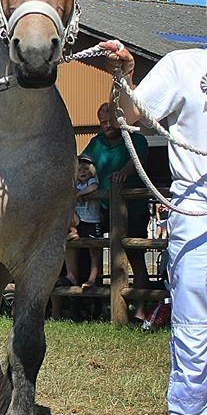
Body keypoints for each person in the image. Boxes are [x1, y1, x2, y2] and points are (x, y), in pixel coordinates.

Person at [100, 0, 207, 415]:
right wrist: (125, 75)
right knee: (192, 333)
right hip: (202, 216)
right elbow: (133, 115)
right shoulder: (183, 64)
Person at [81, 101, 151, 320]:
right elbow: (82, 163)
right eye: (102, 122)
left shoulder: (136, 139)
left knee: (135, 257)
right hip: (101, 208)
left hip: (133, 208)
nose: (106, 126)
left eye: (110, 121)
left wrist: (123, 173)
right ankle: (98, 307)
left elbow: (136, 161)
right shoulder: (96, 143)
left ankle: (140, 310)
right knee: (92, 252)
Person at [63, 154, 103, 289]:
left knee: (93, 251)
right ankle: (71, 275)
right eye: (79, 170)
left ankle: (92, 278)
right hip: (79, 221)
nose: (83, 172)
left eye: (86, 169)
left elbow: (94, 187)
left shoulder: (91, 182)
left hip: (91, 221)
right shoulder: (75, 185)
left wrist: (79, 194)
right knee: (71, 245)